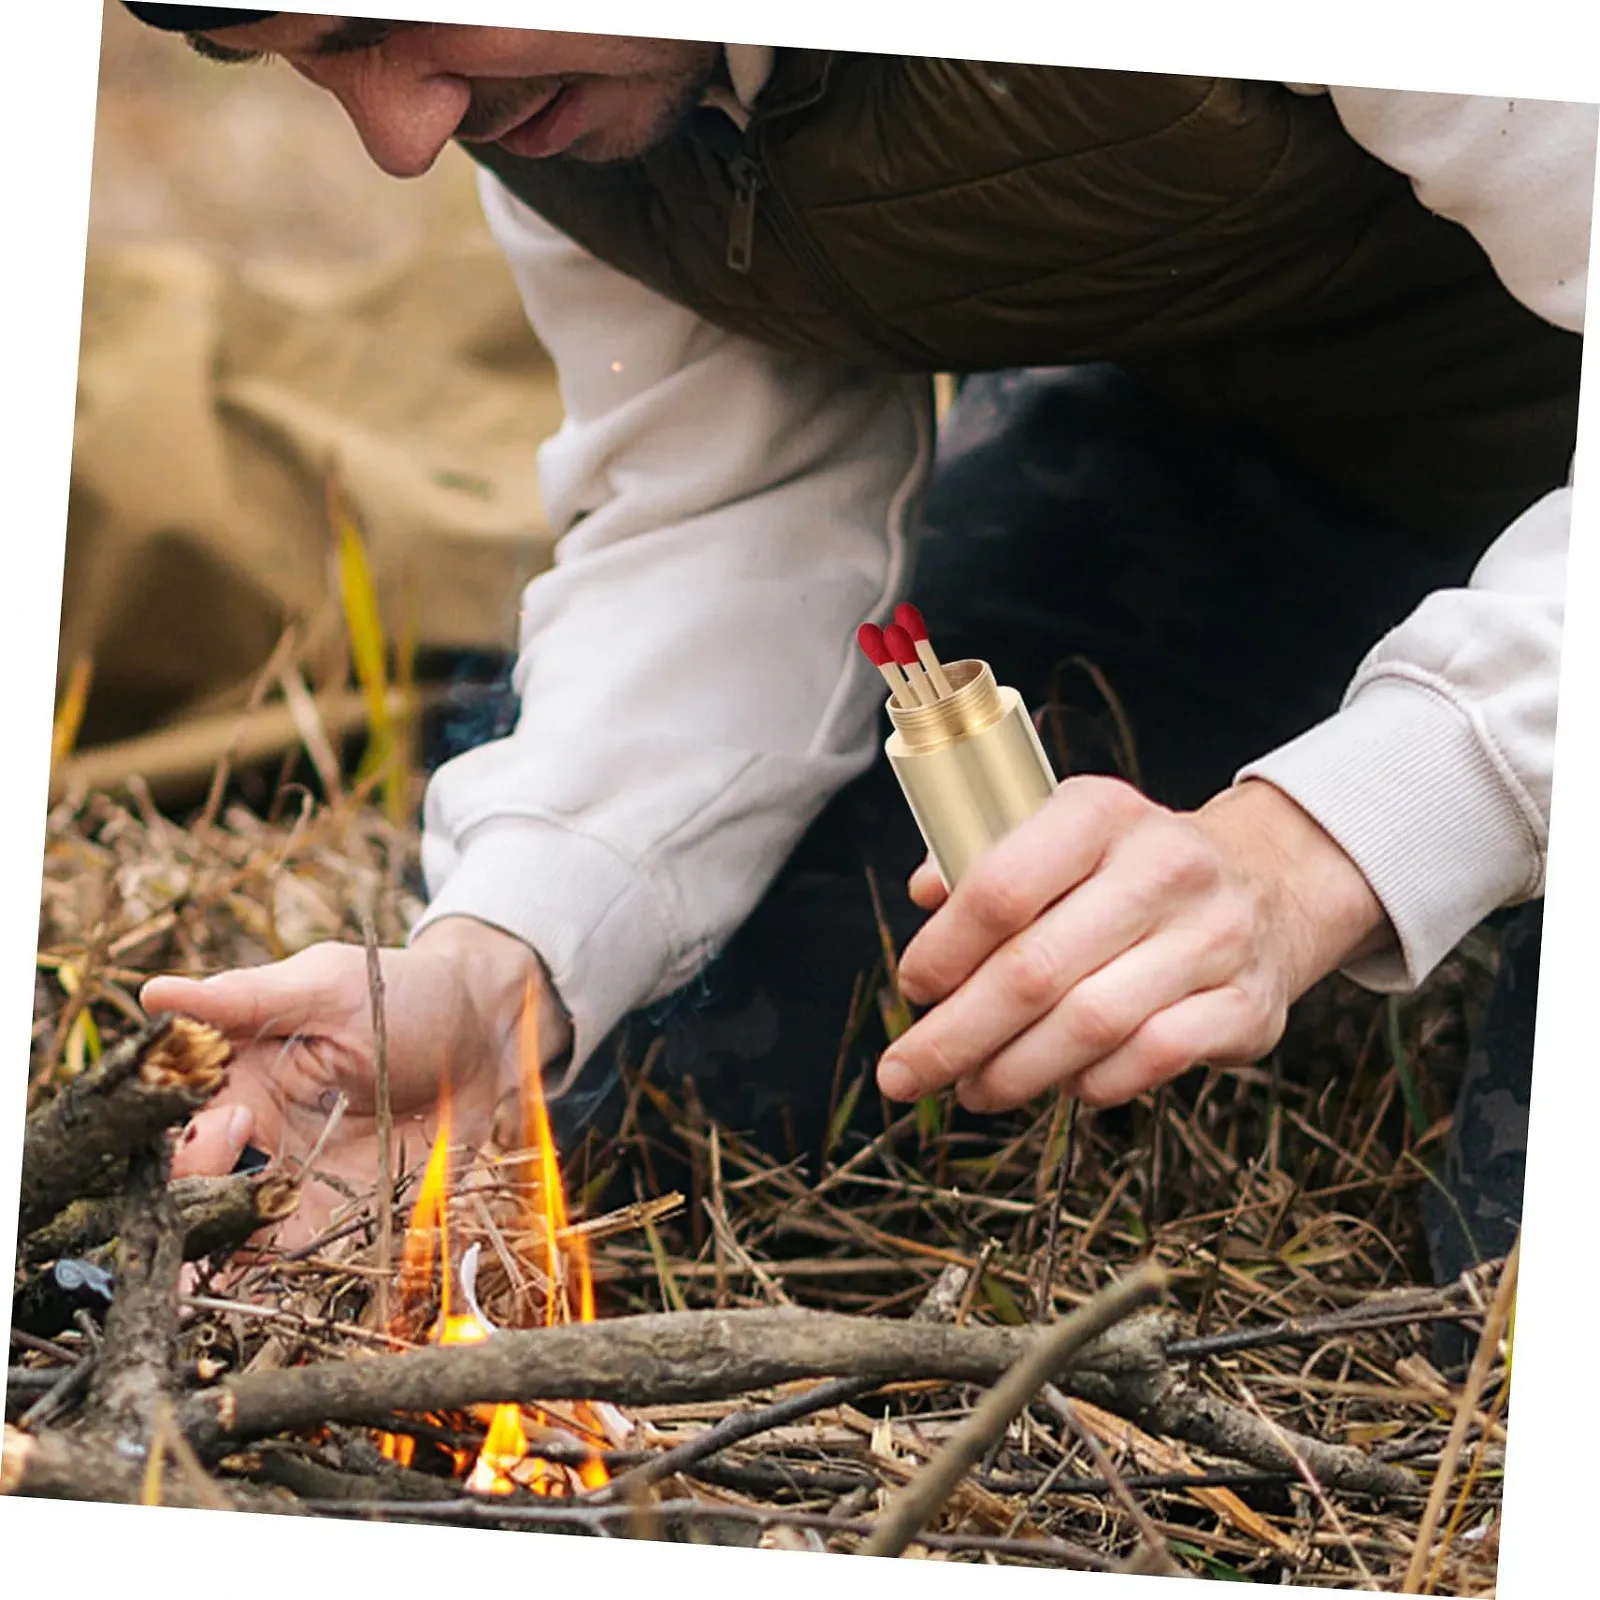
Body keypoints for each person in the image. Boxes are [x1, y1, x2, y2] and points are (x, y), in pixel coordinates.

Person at [121, 10, 1588, 1307]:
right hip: (1278, 465)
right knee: (709, 1091)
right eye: (318, 61)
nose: (400, 133)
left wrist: (1322, 841)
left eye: (397, 18)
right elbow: (728, 498)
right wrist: (499, 960)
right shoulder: (552, 93)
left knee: (1522, 1311)